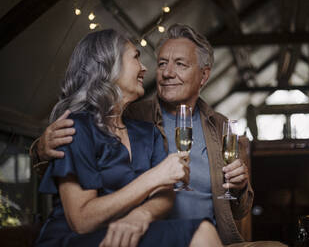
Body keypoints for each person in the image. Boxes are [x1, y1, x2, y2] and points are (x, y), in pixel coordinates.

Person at [31, 24, 287, 247]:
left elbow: (238, 208)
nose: (164, 72)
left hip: (197, 235)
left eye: (180, 64)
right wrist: (40, 149)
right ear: (111, 67)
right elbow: (73, 156)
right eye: (162, 63)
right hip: (152, 234)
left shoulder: (220, 127)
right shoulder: (132, 114)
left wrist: (240, 187)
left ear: (204, 76)